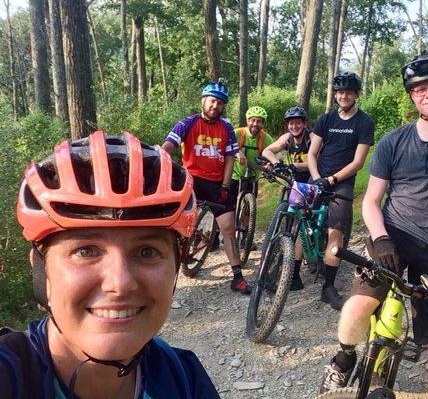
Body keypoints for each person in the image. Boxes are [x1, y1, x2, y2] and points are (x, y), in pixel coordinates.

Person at [320, 52, 428, 398]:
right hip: (393, 238)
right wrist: (380, 237)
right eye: (419, 90)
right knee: (358, 304)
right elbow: (370, 201)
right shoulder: (393, 141)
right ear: (412, 96)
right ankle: (344, 356)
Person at [0, 131, 220, 398]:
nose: (120, 283)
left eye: (147, 252)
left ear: (175, 268)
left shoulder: (183, 377)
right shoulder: (10, 374)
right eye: (86, 251)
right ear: (41, 269)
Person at [162, 80, 252, 294]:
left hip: (217, 182)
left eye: (220, 103)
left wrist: (225, 185)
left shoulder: (226, 128)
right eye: (212, 101)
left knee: (229, 228)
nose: (215, 106)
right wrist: (160, 159)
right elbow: (169, 146)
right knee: (177, 226)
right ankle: (168, 274)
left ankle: (237, 277)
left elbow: (230, 158)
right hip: (192, 180)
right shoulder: (188, 123)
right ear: (203, 101)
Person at [307, 72, 375, 310]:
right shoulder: (325, 120)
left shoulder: (364, 123)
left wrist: (332, 179)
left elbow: (358, 162)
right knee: (299, 222)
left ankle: (328, 287)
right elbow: (312, 153)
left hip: (341, 182)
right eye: (340, 92)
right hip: (318, 178)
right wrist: (317, 178)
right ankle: (291, 274)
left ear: (356, 95)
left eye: (348, 92)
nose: (344, 96)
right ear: (335, 95)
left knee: (335, 232)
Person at [262, 106, 312, 290]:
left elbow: (316, 161)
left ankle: (295, 273)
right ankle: (286, 261)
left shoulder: (312, 138)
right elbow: (267, 150)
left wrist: (295, 166)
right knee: (292, 222)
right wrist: (276, 162)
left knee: (300, 225)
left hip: (310, 181)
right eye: (291, 123)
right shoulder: (287, 138)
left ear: (304, 124)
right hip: (294, 182)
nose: (294, 126)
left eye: (298, 122)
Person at [230, 106, 274, 250]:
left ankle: (245, 237)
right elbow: (225, 143)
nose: (255, 124)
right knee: (227, 205)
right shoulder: (238, 133)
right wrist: (237, 152)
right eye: (253, 120)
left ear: (263, 123)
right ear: (248, 120)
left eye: (259, 121)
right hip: (234, 174)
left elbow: (271, 154)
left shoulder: (266, 138)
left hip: (253, 176)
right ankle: (217, 235)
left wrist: (270, 166)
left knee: (249, 208)